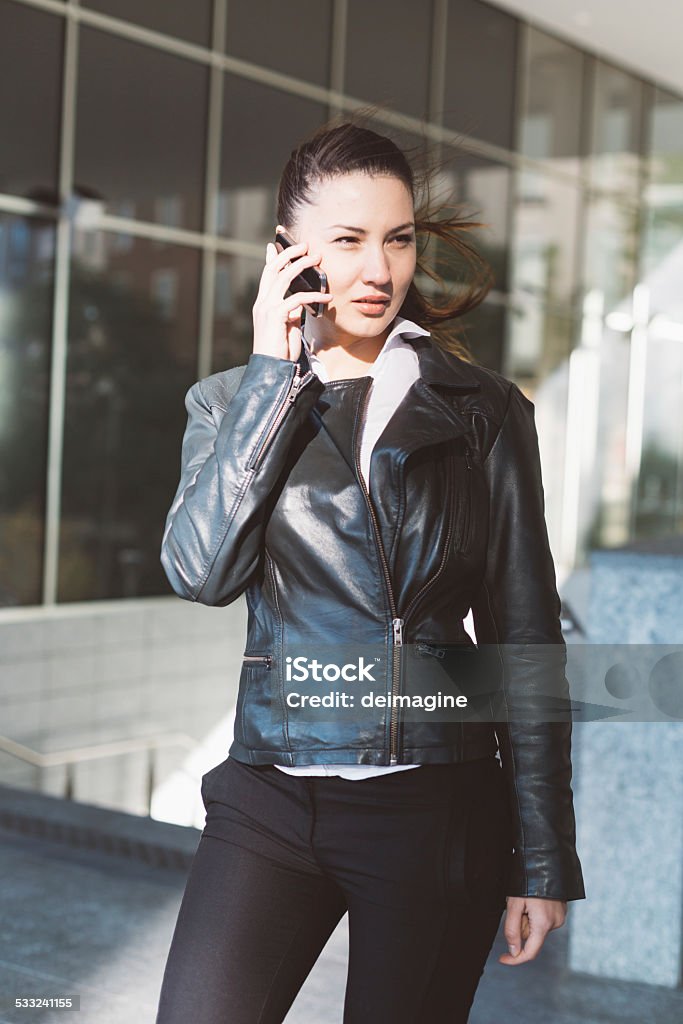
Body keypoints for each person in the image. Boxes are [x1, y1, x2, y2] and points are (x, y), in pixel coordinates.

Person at [155, 117, 586, 1024]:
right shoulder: (230, 403)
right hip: (269, 798)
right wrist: (277, 376)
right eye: (347, 241)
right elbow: (200, 570)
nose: (379, 270)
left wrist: (541, 857)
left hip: (434, 810)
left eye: (396, 239)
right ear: (288, 255)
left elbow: (523, 633)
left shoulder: (483, 411)